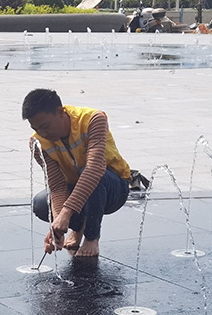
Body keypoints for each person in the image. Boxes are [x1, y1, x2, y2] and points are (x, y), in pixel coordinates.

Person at [22, 89, 131, 258]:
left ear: (60, 111)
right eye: (36, 128)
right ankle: (78, 228)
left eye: (45, 126)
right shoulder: (37, 142)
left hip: (112, 187)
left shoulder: (93, 120)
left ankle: (91, 237)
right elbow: (57, 186)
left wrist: (66, 213)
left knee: (94, 176)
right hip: (77, 189)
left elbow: (95, 169)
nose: (42, 133)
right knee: (41, 204)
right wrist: (57, 225)